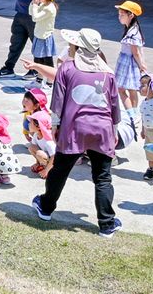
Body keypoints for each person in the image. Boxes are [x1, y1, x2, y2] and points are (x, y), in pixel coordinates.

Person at [31, 28, 122, 238]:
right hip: (103, 129)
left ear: (77, 47)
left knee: (60, 170)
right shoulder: (108, 72)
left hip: (74, 128)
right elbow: (114, 104)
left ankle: (45, 207)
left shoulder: (68, 68)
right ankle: (107, 224)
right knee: (102, 177)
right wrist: (114, 130)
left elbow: (58, 99)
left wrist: (55, 124)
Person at [113, 1, 146, 114]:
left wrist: (142, 66)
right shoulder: (131, 29)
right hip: (127, 61)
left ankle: (131, 113)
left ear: (131, 15)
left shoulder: (133, 32)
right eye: (119, 14)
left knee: (124, 89)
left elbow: (136, 52)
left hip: (128, 62)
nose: (119, 17)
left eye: (122, 14)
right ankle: (132, 112)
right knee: (128, 89)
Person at [28, 0, 59, 83]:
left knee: (47, 62)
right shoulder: (43, 4)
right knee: (38, 61)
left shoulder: (49, 8)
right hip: (39, 36)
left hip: (45, 37)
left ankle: (50, 83)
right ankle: (39, 80)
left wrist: (35, 5)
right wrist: (33, 4)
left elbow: (35, 18)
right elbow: (30, 12)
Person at [21, 87, 54, 177]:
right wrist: (26, 132)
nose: (23, 101)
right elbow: (26, 122)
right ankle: (41, 163)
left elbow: (55, 156)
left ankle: (48, 169)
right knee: (32, 147)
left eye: (27, 100)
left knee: (39, 152)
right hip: (38, 134)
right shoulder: (29, 113)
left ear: (36, 105)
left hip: (52, 154)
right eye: (24, 99)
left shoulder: (42, 117)